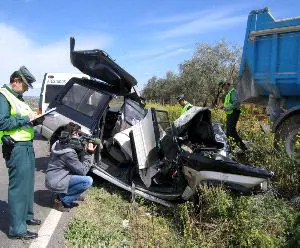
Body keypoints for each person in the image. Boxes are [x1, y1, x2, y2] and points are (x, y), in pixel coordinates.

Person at [0, 66, 42, 240]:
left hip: (26, 145)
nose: (25, 89)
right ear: (16, 81)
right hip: (15, 147)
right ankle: (17, 229)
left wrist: (36, 120)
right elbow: (2, 123)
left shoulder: (19, 98)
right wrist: (26, 119)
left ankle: (26, 216)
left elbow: (21, 120)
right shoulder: (3, 96)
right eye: (25, 86)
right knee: (18, 188)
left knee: (27, 184)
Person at [45, 122, 95, 212]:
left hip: (52, 178)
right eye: (79, 134)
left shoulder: (59, 142)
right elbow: (83, 171)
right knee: (87, 181)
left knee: (76, 169)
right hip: (57, 182)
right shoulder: (69, 153)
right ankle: (63, 199)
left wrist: (81, 148)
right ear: (74, 134)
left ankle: (67, 194)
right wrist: (89, 153)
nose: (80, 136)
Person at [219, 80, 247, 151]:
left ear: (226, 84)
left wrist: (226, 107)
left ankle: (242, 148)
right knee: (229, 132)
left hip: (234, 114)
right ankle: (232, 148)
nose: (223, 88)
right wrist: (224, 106)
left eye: (223, 86)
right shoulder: (228, 93)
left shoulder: (233, 91)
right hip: (230, 114)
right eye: (221, 87)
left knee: (231, 131)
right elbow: (230, 103)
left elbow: (236, 103)